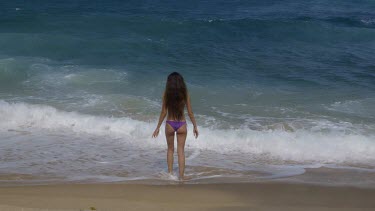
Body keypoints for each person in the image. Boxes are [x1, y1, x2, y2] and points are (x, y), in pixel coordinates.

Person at [152, 72, 198, 181]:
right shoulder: (185, 93)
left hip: (170, 124)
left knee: (170, 150)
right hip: (182, 124)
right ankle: (181, 177)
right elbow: (190, 112)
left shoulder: (166, 93)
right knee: (181, 151)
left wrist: (157, 127)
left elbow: (163, 112)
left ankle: (170, 174)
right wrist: (195, 126)